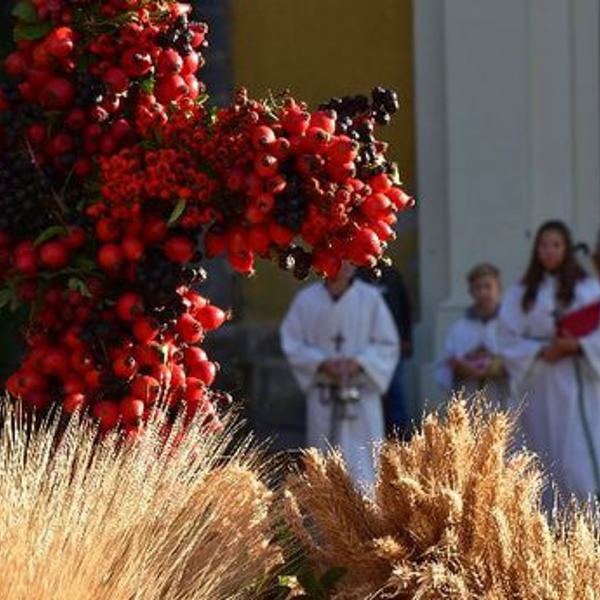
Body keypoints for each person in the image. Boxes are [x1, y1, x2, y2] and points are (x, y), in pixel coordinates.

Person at [498, 220, 600, 502]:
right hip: (538, 381)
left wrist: (577, 345)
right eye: (544, 245)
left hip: (576, 379)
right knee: (542, 453)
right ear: (536, 250)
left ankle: (586, 523)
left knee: (575, 459)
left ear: (566, 248)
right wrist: (540, 351)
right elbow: (507, 338)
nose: (549, 251)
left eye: (556, 245)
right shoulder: (521, 293)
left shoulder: (588, 289)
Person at [280, 261, 399, 485]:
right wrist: (320, 362)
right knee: (323, 461)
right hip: (324, 392)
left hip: (360, 392)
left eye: (348, 259)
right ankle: (326, 516)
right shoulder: (306, 300)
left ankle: (366, 516)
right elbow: (292, 341)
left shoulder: (370, 299)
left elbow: (388, 344)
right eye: (335, 258)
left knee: (365, 462)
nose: (342, 265)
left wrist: (361, 362)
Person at [435, 264, 507, 407]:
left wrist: (501, 365)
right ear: (471, 291)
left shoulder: (510, 326)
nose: (483, 292)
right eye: (478, 288)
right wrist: (460, 368)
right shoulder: (458, 329)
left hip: (501, 399)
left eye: (488, 286)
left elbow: (524, 362)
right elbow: (443, 367)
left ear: (498, 288)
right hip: (469, 399)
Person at [358, 265, 413, 437]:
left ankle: (400, 434)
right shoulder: (357, 277)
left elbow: (405, 308)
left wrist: (406, 338)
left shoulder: (392, 274)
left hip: (391, 345)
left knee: (394, 389)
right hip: (364, 346)